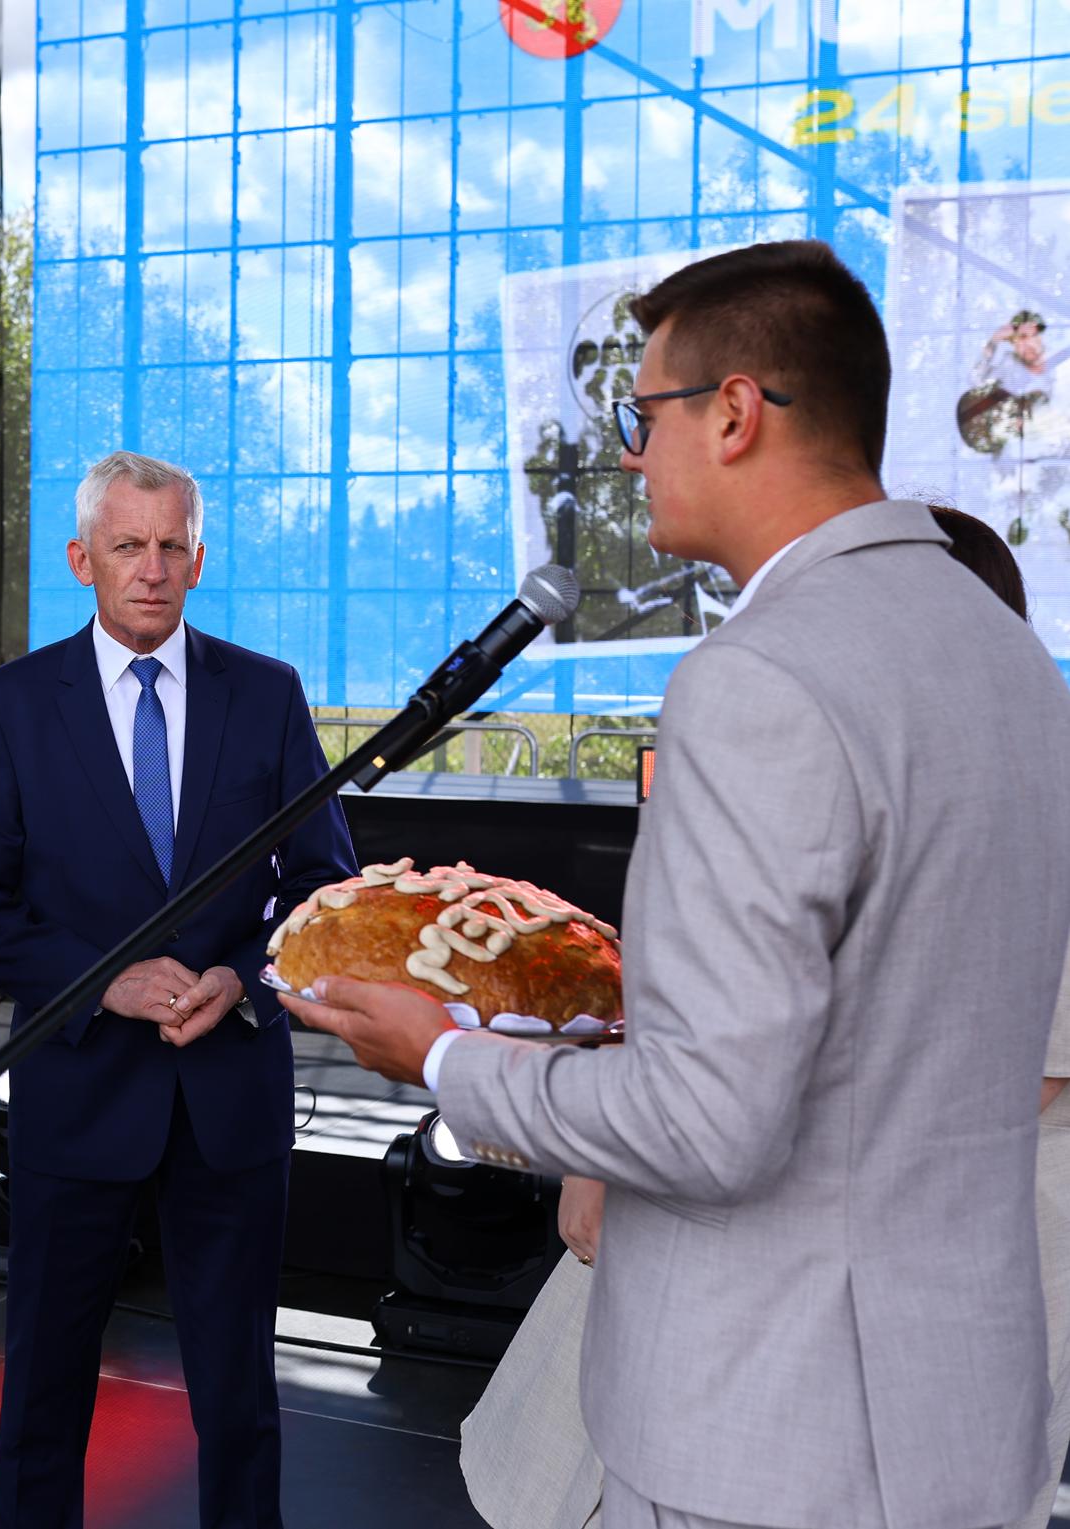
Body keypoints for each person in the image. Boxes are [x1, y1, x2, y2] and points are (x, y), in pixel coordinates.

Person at [282, 241, 1070, 1529]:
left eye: (641, 418)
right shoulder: (1005, 656)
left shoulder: (759, 676)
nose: (632, 457)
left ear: (736, 412)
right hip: (960, 1416)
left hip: (771, 1427)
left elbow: (708, 1125)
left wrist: (444, 1057)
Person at [0, 449, 356, 1529]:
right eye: (127, 545)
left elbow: (325, 889)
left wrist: (241, 977)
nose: (151, 568)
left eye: (171, 546)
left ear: (199, 560)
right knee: (43, 1386)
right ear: (83, 558)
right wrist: (103, 982)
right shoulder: (12, 706)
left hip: (230, 1091)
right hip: (77, 1092)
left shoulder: (266, 693)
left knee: (240, 1396)